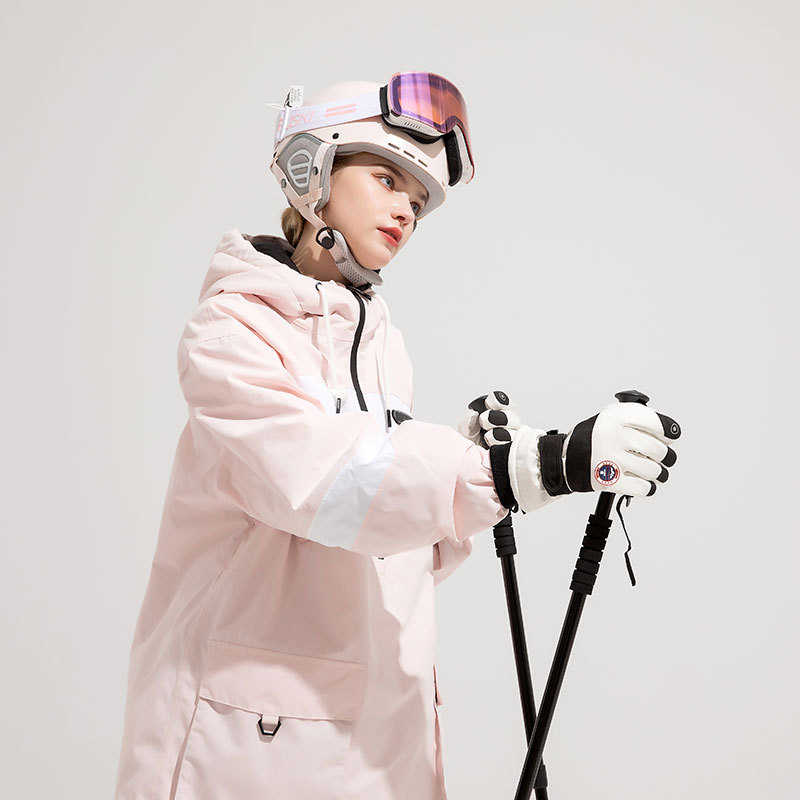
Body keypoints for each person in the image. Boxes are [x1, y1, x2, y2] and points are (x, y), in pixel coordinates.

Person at [113, 72, 681, 800]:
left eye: (417, 200)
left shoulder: (382, 346)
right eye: (386, 180)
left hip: (378, 739)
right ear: (311, 172)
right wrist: (523, 469)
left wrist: (479, 467)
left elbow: (377, 541)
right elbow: (321, 485)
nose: (405, 211)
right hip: (247, 745)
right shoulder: (231, 333)